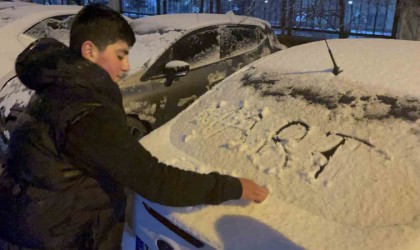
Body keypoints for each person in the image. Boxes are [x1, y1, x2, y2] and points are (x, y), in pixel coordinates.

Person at [1, 3, 268, 250]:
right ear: (90, 51)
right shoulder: (87, 112)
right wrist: (234, 187)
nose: (127, 66)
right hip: (57, 237)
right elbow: (153, 180)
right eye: (120, 55)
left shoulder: (59, 88)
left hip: (31, 223)